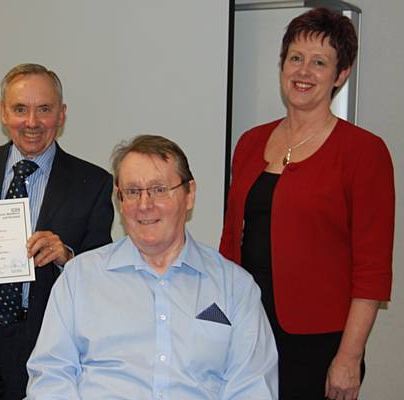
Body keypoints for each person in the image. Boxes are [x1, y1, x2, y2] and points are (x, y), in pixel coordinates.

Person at [219, 8, 395, 400]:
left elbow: (372, 269)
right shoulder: (250, 143)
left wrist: (349, 356)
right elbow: (230, 244)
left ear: (341, 74)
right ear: (282, 64)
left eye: (320, 63)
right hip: (249, 330)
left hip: (320, 344)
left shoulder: (364, 152)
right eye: (296, 58)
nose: (304, 71)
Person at [26, 134, 278, 399]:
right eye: (133, 192)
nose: (144, 205)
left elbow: (253, 387)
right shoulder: (80, 278)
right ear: (120, 200)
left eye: (159, 190)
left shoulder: (235, 287)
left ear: (189, 194)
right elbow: (51, 377)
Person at [0, 63, 114, 400]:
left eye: (44, 109)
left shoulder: (92, 183)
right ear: (3, 113)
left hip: (48, 349)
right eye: (20, 109)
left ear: (61, 115)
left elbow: (101, 277)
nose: (32, 122)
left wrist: (67, 257)